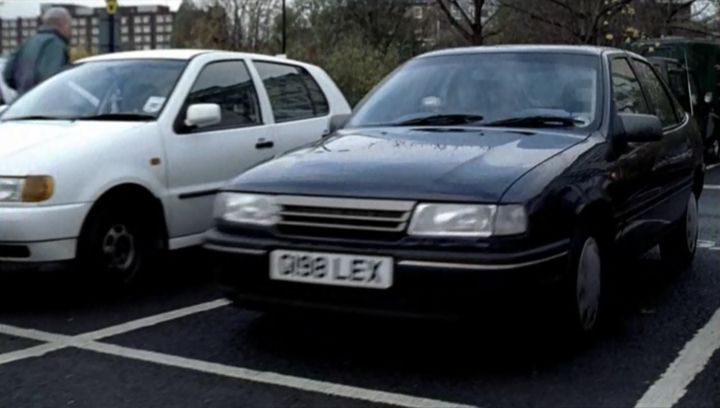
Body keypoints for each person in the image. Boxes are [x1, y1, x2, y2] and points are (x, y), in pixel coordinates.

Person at [2, 7, 71, 96]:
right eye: (69, 25)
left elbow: (8, 74)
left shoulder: (27, 43)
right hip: (45, 103)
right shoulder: (55, 45)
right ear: (62, 24)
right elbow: (51, 79)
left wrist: (23, 90)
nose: (70, 30)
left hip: (24, 101)